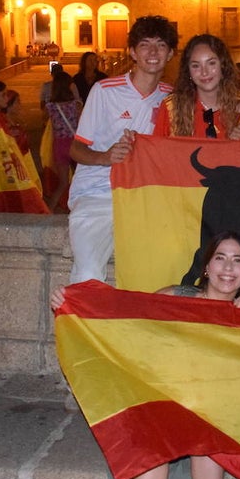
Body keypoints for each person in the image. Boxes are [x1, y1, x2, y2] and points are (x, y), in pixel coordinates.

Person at [50, 231, 240, 479]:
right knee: (151, 445)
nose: (228, 267)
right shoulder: (176, 297)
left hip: (208, 419)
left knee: (205, 437)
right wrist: (75, 302)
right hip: (164, 410)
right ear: (206, 267)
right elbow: (123, 313)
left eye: (237, 260)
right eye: (221, 258)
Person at [68, 15, 178, 284]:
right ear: (132, 52)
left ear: (171, 53)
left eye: (161, 45)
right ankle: (82, 322)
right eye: (144, 44)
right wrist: (106, 157)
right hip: (98, 193)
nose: (153, 52)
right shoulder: (104, 91)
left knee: (166, 268)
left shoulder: (171, 97)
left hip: (144, 196)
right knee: (89, 272)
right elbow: (75, 149)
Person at [152, 33, 240, 139]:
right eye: (196, 66)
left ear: (223, 66)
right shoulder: (172, 107)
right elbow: (157, 151)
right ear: (188, 71)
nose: (204, 72)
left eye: (211, 63)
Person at [43, 69, 82, 212]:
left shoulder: (50, 107)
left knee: (63, 183)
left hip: (59, 145)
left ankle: (48, 210)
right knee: (81, 178)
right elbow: (81, 123)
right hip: (75, 144)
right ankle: (79, 208)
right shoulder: (75, 105)